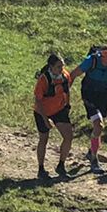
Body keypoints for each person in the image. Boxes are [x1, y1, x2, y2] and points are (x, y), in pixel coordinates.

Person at [74, 44, 107, 172]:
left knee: (99, 125)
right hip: (89, 93)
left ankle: (91, 151)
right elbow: (74, 74)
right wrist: (64, 93)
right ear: (101, 55)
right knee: (99, 125)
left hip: (103, 94)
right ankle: (94, 160)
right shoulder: (91, 61)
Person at [32, 51, 78, 180]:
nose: (61, 69)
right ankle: (41, 169)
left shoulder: (64, 75)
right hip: (42, 111)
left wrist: (67, 105)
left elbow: (66, 90)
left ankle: (61, 166)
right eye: (58, 67)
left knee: (69, 136)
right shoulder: (43, 79)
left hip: (59, 109)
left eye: (62, 66)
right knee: (44, 139)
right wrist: (46, 120)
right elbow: (38, 101)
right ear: (51, 67)